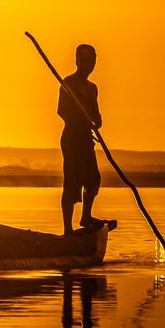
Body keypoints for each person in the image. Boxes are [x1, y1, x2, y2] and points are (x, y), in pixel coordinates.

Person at [58, 43, 104, 235]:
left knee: (93, 180)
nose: (88, 64)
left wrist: (96, 121)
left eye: (91, 61)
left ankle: (86, 217)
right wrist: (79, 120)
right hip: (72, 140)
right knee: (71, 183)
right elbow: (61, 111)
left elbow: (96, 114)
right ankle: (68, 229)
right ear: (77, 61)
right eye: (84, 61)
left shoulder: (92, 88)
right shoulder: (68, 83)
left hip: (86, 141)